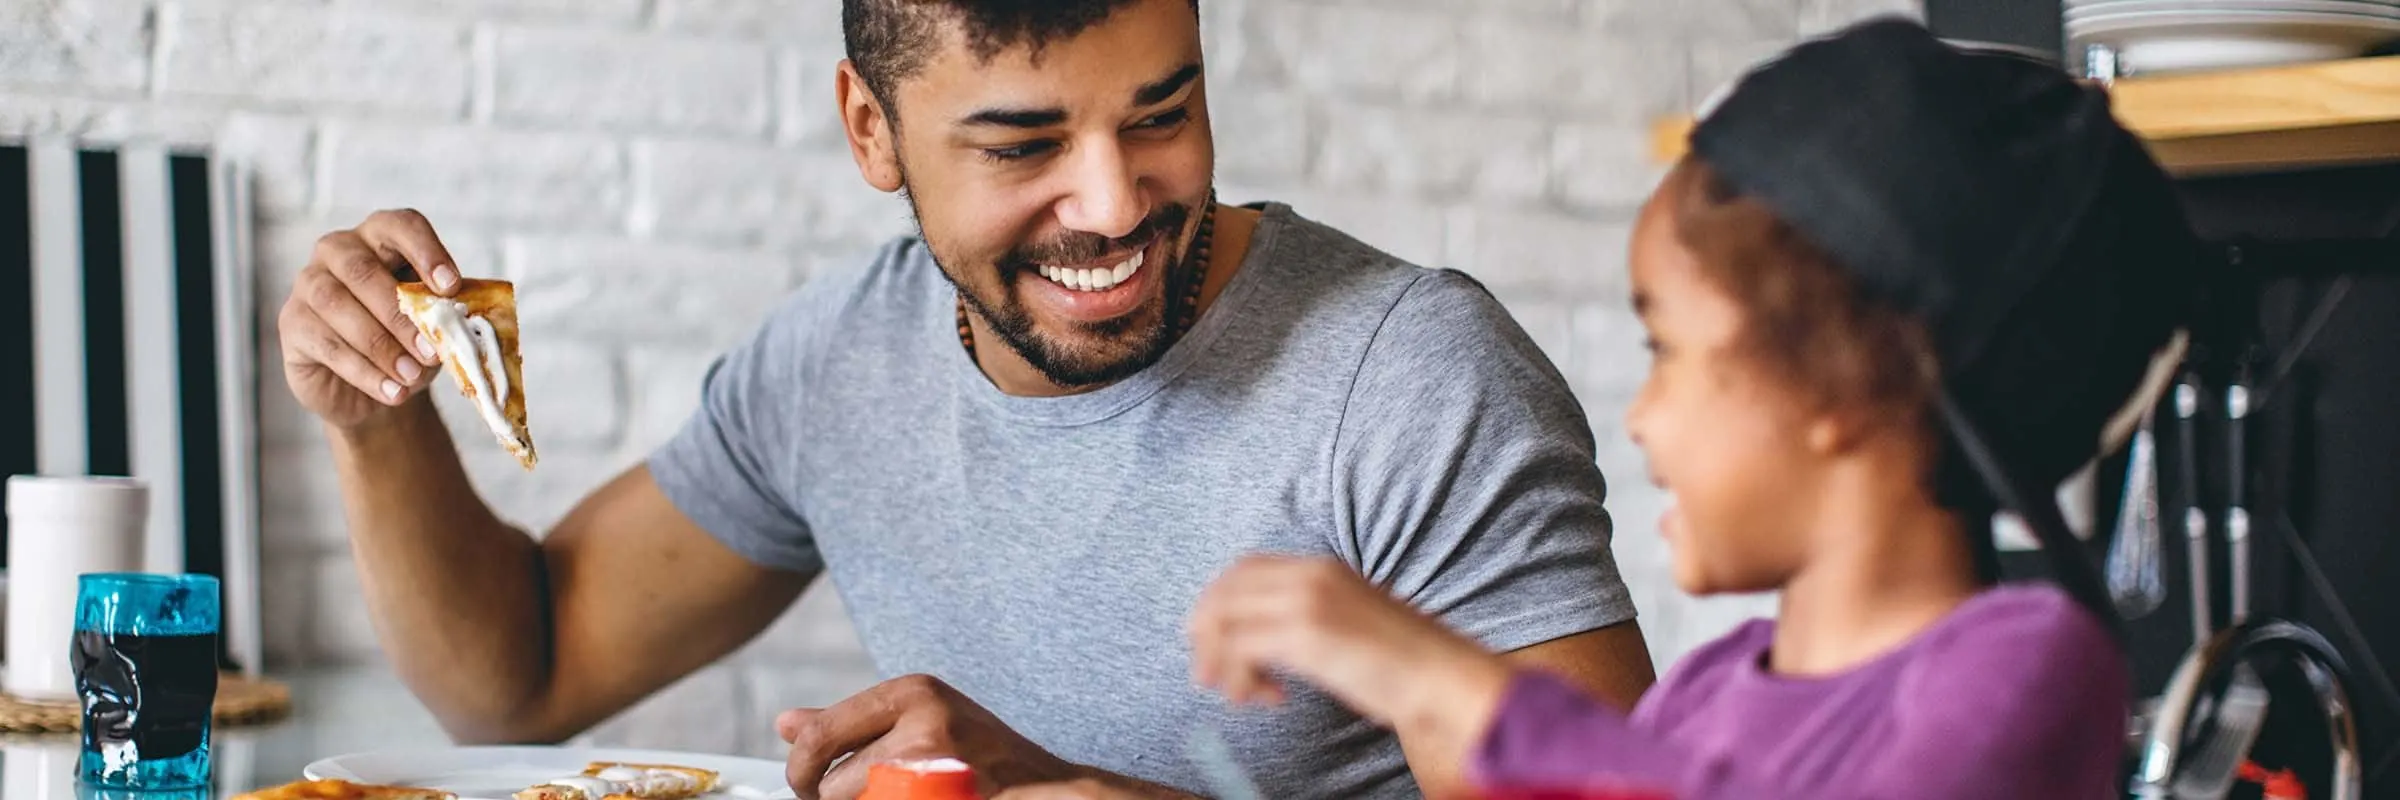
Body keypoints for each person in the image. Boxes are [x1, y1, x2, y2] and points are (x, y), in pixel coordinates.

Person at [272, 1, 1657, 798]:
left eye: (1161, 115)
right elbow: (514, 683)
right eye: (1027, 143)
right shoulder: (837, 363)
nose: (1114, 206)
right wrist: (378, 413)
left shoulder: (1413, 378)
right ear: (870, 129)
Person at [1163, 18, 2208, 800]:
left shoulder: (2029, 663)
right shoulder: (1710, 684)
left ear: (1840, 381)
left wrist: (1435, 679)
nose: (1642, 415)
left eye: (1669, 350)